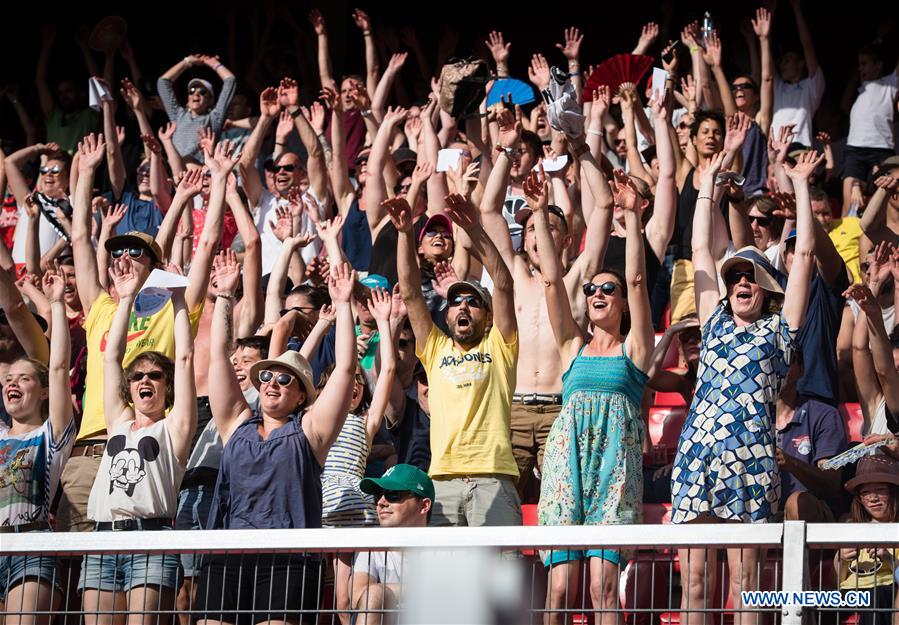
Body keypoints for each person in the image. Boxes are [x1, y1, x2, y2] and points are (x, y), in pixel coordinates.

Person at [670, 149, 822, 625]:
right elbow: (699, 251)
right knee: (694, 582)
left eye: (751, 276)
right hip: (697, 458)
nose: (740, 280)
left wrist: (799, 186)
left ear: (766, 288)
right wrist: (708, 184)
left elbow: (806, 259)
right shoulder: (713, 321)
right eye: (735, 273)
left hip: (752, 462)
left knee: (746, 586)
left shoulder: (778, 331)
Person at [194, 262, 358, 625]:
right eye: (266, 375)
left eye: (285, 379)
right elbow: (220, 355)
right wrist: (224, 295)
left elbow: (345, 368)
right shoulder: (237, 422)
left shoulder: (310, 431)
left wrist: (344, 305)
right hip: (228, 552)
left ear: (301, 396)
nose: (272, 382)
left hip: (288, 558)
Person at [527, 166, 655, 625]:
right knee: (560, 588)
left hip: (614, 469)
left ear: (621, 302)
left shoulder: (636, 350)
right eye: (592, 289)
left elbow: (639, 281)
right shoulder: (572, 348)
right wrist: (541, 213)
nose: (598, 293)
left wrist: (633, 218)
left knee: (602, 586)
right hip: (567, 466)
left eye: (608, 289)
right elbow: (550, 283)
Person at [479, 108, 613, 503]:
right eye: (532, 228)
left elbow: (603, 208)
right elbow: (488, 210)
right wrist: (505, 149)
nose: (538, 234)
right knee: (501, 509)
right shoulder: (514, 277)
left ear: (568, 240)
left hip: (561, 408)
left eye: (549, 227)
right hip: (514, 409)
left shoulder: (577, 281)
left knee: (563, 503)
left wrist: (580, 148)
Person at [388, 192, 521, 526]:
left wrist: (475, 229)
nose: (462, 305)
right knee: (447, 578)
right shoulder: (435, 348)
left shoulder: (500, 345)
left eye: (473, 301)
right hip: (443, 481)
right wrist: (405, 233)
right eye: (456, 300)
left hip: (493, 478)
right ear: (446, 316)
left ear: (488, 317)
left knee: (499, 576)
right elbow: (411, 293)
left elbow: (503, 283)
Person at [79, 257, 197, 622]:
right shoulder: (119, 422)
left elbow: (187, 357)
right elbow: (111, 358)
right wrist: (125, 299)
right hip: (101, 541)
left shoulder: (174, 427)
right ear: (129, 388)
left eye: (156, 375)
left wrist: (178, 298)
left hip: (151, 540)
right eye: (138, 376)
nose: (145, 380)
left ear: (167, 385)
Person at [0, 266, 76, 625]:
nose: (12, 384)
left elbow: (59, 367)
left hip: (32, 547)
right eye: (8, 380)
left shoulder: (51, 434)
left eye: (24, 378)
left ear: (43, 390)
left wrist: (58, 305)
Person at [321, 286, 396, 625]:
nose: (351, 383)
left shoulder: (366, 424)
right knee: (329, 596)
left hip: (358, 517)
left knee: (347, 598)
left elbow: (389, 371)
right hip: (324, 511)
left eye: (358, 381)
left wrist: (385, 324)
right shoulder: (317, 420)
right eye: (344, 379)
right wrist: (338, 314)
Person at [350, 464, 435, 625]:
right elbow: (358, 596)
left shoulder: (446, 548)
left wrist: (385, 592)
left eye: (393, 494)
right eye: (378, 495)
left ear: (424, 506)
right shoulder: (370, 544)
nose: (381, 502)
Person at [835, 454, 899, 625]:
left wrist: (888, 558)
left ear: (895, 493)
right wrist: (841, 557)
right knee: (810, 599)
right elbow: (840, 578)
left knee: (875, 598)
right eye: (865, 492)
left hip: (885, 589)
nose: (873, 498)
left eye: (880, 490)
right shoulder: (851, 526)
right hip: (849, 592)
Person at [157, 54, 236, 159]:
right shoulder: (178, 115)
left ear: (210, 100)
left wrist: (214, 64)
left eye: (202, 92)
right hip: (175, 171)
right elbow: (163, 82)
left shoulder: (214, 118)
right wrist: (188, 61)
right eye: (192, 91)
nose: (196, 94)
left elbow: (230, 80)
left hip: (199, 173)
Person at [848, 283, 899, 435]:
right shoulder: (875, 403)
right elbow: (859, 348)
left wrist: (875, 314)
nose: (895, 365)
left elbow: (885, 371)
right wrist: (871, 308)